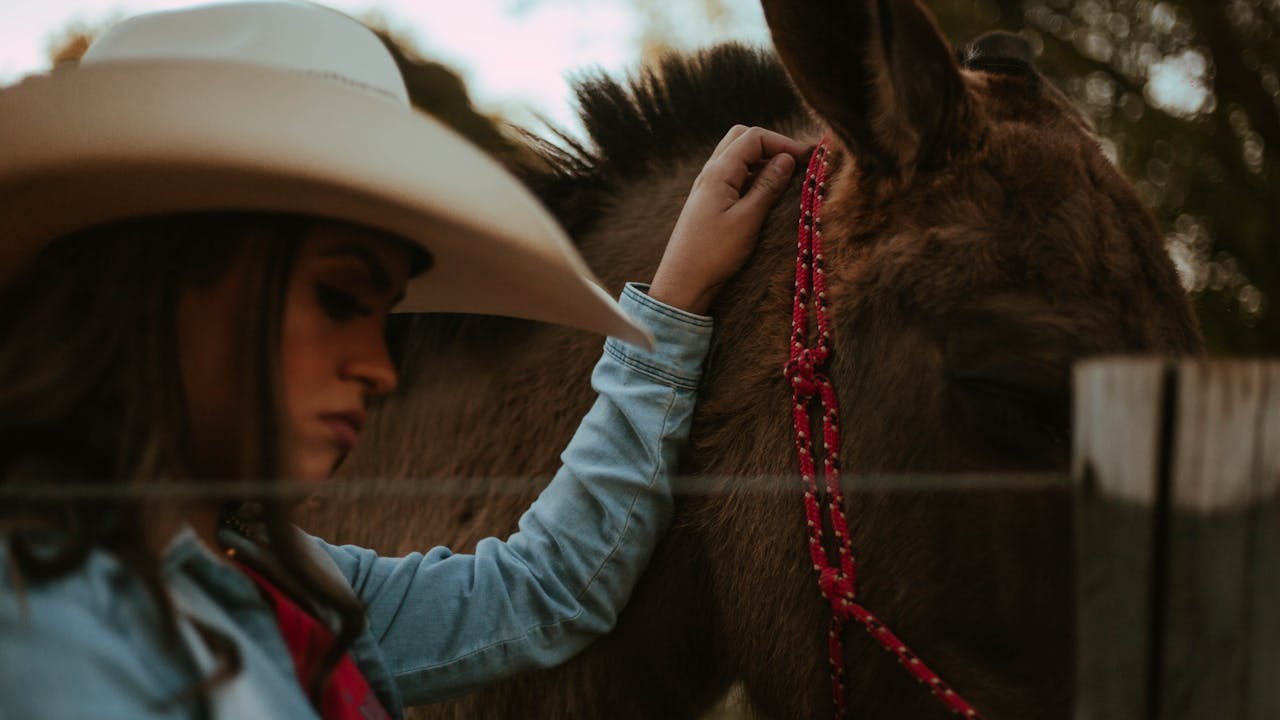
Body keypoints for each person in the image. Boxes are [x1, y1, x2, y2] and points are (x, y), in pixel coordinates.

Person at [0, 2, 804, 718]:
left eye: (384, 319)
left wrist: (672, 303)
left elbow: (541, 588)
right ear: (158, 285)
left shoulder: (288, 580)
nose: (379, 368)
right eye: (340, 300)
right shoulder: (38, 625)